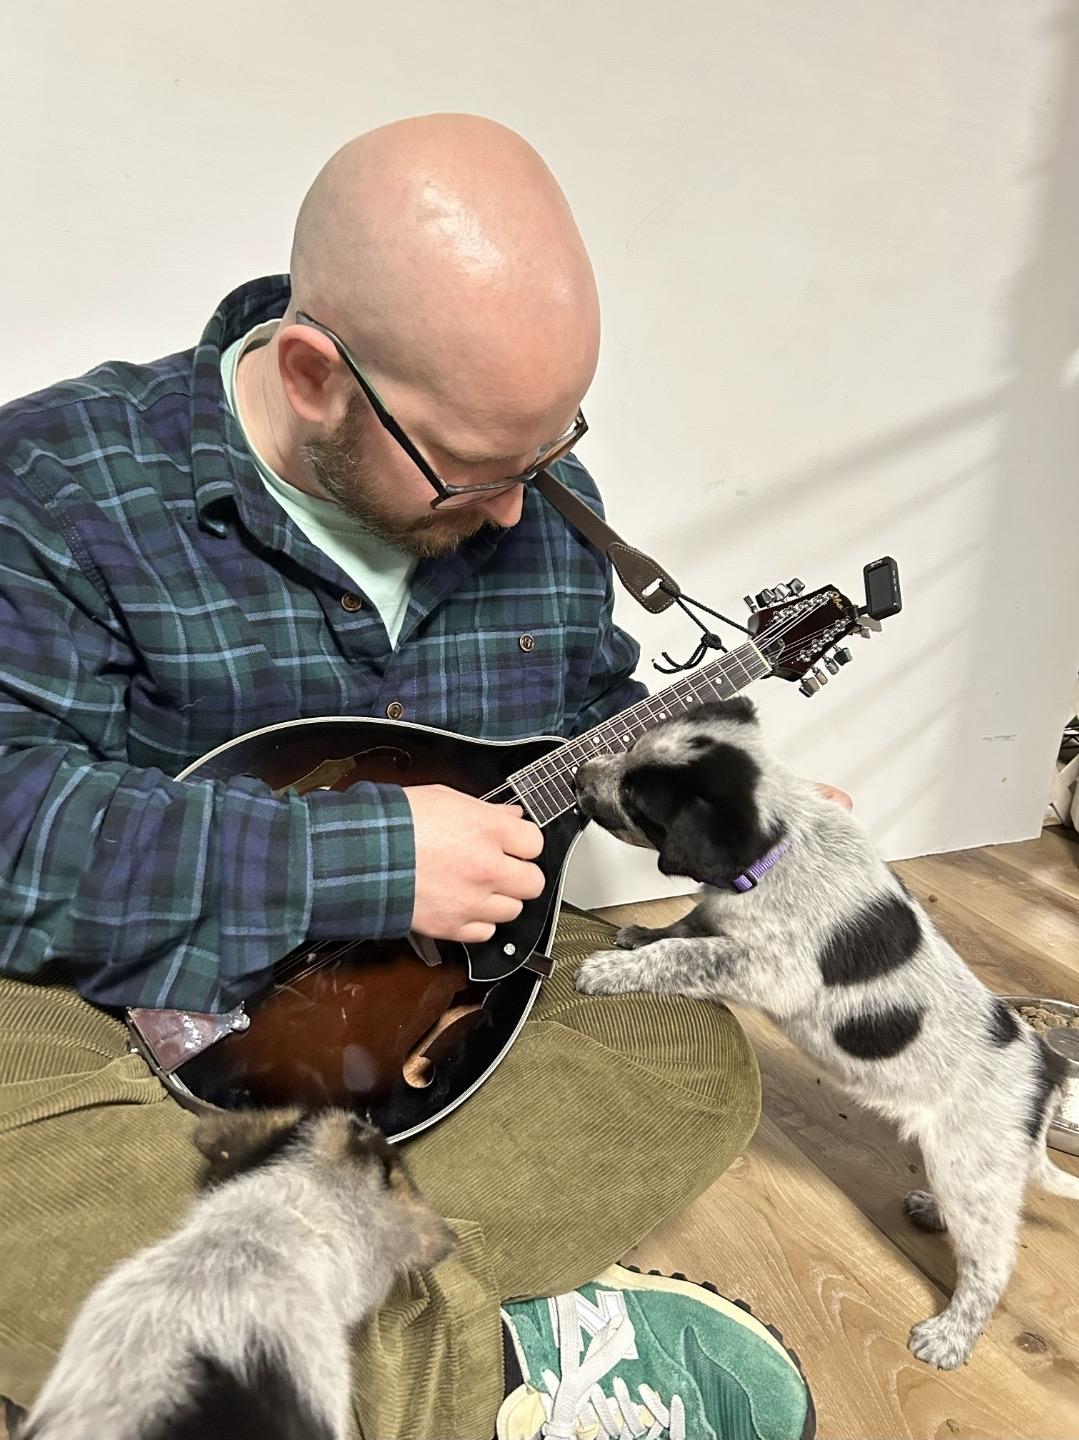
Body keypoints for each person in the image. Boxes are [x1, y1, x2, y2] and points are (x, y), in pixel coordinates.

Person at [0, 115, 816, 1439]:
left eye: (546, 456)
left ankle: (274, 1326)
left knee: (698, 1065)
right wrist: (369, 859)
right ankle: (491, 1379)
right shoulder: (59, 482)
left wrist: (719, 797)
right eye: (476, 469)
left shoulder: (528, 489)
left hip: (411, 1017)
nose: (516, 509)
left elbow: (590, 717)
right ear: (317, 374)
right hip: (118, 1012)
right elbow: (16, 825)